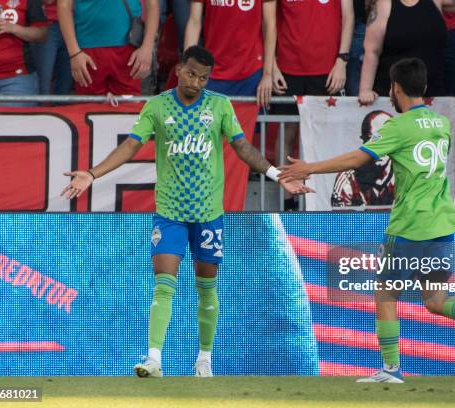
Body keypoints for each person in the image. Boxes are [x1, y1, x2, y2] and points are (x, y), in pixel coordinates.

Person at [60, 45, 312, 378]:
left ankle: (204, 360)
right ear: (179, 69)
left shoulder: (219, 106)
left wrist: (277, 175)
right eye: (192, 74)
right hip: (170, 213)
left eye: (204, 78)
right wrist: (92, 173)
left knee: (206, 287)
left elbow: (241, 146)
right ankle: (154, 359)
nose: (196, 82)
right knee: (164, 284)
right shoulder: (158, 106)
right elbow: (131, 145)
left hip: (208, 214)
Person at [280, 58, 455, 383]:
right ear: (425, 88)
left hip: (409, 225)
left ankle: (391, 370)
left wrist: (310, 167)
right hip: (442, 223)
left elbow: (359, 158)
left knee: (385, 294)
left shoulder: (398, 127)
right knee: (435, 299)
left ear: (396, 89)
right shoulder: (439, 123)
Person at [273, 0, 354, 209]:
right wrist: (271, 65)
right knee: (287, 132)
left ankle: (326, 196)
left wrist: (342, 61)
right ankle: (288, 199)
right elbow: (269, 20)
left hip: (327, 69)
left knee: (326, 135)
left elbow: (348, 16)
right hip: (287, 67)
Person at [358, 0, 455, 105]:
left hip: (432, 97)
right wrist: (365, 90)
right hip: (393, 99)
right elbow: (372, 51)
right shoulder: (384, 5)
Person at [184, 0, 276, 108]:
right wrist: (188, 67)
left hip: (250, 74)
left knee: (247, 124)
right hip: (212, 71)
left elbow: (270, 24)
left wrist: (267, 74)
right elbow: (194, 21)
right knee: (209, 123)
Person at [57, 0, 159, 96]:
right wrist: (74, 52)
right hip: (89, 51)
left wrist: (147, 48)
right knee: (89, 107)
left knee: (127, 109)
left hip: (126, 50)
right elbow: (64, 5)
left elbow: (153, 4)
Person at [31, 0, 73, 95]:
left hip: (73, 24)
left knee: (65, 85)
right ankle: (42, 109)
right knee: (43, 84)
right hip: (47, 25)